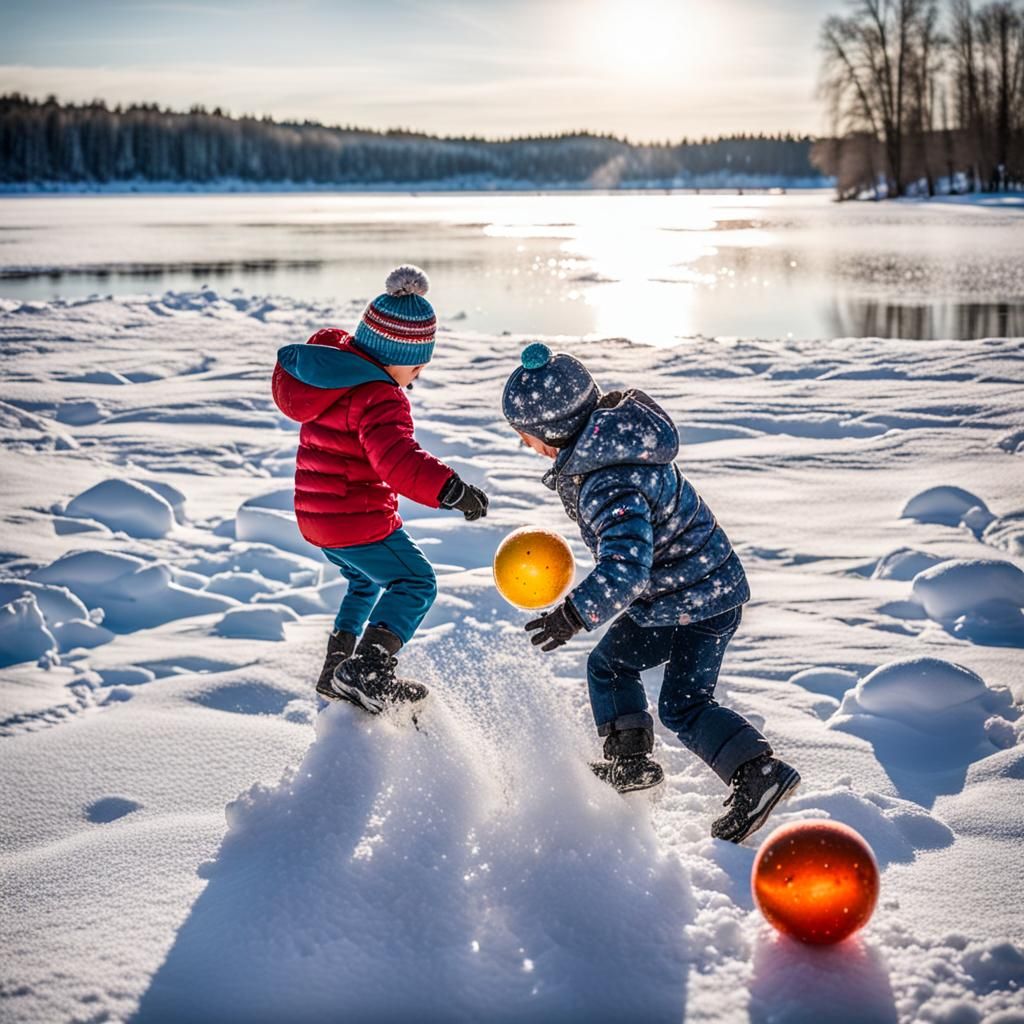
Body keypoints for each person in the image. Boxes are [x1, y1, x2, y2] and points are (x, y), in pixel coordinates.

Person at [501, 342, 799, 843]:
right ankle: (630, 766)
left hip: (696, 603)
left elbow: (627, 567)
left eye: (525, 438)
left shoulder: (608, 483)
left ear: (551, 433)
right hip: (682, 595)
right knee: (609, 665)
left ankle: (757, 774)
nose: (526, 447)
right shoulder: (615, 447)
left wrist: (573, 614)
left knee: (683, 704)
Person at [272, 266, 488, 712]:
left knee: (363, 580)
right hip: (355, 518)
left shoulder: (334, 380)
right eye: (416, 366)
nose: (416, 376)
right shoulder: (380, 395)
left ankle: (337, 670)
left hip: (317, 518)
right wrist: (451, 489)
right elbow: (397, 460)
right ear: (395, 354)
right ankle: (367, 671)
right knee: (415, 581)